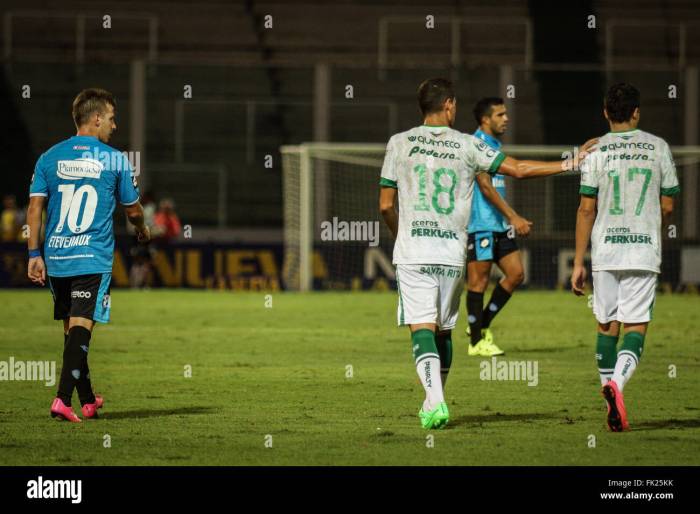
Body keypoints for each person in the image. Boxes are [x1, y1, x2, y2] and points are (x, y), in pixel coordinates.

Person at [379, 78, 596, 429]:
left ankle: (434, 401)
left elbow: (386, 205)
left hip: (414, 250)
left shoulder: (398, 143)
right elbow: (519, 170)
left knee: (422, 328)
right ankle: (434, 401)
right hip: (451, 253)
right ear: (449, 105)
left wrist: (399, 232)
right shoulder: (468, 145)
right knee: (444, 331)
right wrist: (572, 163)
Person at [27, 88, 150, 422]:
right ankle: (62, 400)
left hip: (56, 257)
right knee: (82, 327)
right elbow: (134, 210)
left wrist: (33, 253)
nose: (114, 125)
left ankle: (87, 400)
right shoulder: (114, 159)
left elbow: (35, 206)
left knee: (72, 332)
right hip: (91, 257)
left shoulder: (49, 157)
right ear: (96, 118)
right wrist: (142, 230)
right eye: (111, 118)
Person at [572, 83, 680, 432]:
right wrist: (651, 224)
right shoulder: (658, 147)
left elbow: (586, 209)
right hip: (642, 250)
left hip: (605, 251)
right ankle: (616, 385)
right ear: (636, 112)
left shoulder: (595, 150)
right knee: (636, 326)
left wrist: (577, 261)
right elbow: (668, 204)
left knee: (606, 325)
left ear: (606, 112)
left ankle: (610, 392)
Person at [465, 97, 535, 357]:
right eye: (500, 115)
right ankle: (475, 342)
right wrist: (514, 216)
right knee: (478, 283)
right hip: (481, 224)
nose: (506, 118)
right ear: (485, 119)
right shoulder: (477, 144)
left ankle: (479, 326)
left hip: (499, 224)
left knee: (516, 274)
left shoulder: (494, 145)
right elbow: (485, 186)